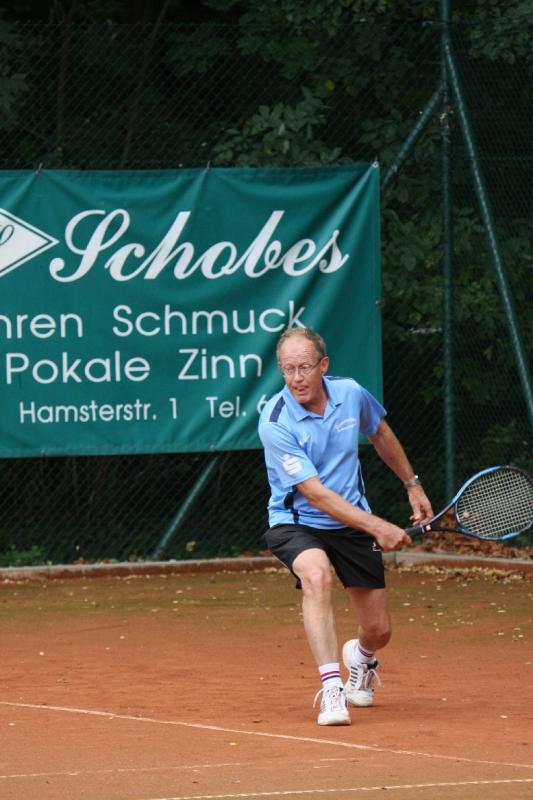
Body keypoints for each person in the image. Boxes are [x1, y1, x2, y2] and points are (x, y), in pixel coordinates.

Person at [258, 327, 433, 726]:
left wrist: (412, 485)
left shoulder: (350, 393)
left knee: (379, 630)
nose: (296, 378)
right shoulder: (275, 420)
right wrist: (379, 526)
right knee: (316, 575)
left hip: (351, 522)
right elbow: (315, 494)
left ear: (323, 365)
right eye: (287, 369)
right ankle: (332, 688)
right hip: (298, 522)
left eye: (304, 367)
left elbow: (380, 432)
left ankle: (361, 658)